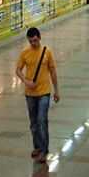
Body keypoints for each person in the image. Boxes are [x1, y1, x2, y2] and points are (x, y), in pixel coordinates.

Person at [15, 27, 60, 163]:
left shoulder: (47, 51)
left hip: (44, 92)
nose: (33, 43)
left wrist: (56, 90)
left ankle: (44, 150)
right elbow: (18, 70)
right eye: (30, 41)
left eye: (35, 40)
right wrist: (26, 81)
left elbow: (53, 72)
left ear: (39, 38)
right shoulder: (25, 52)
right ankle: (36, 146)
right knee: (33, 122)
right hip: (29, 94)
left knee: (42, 120)